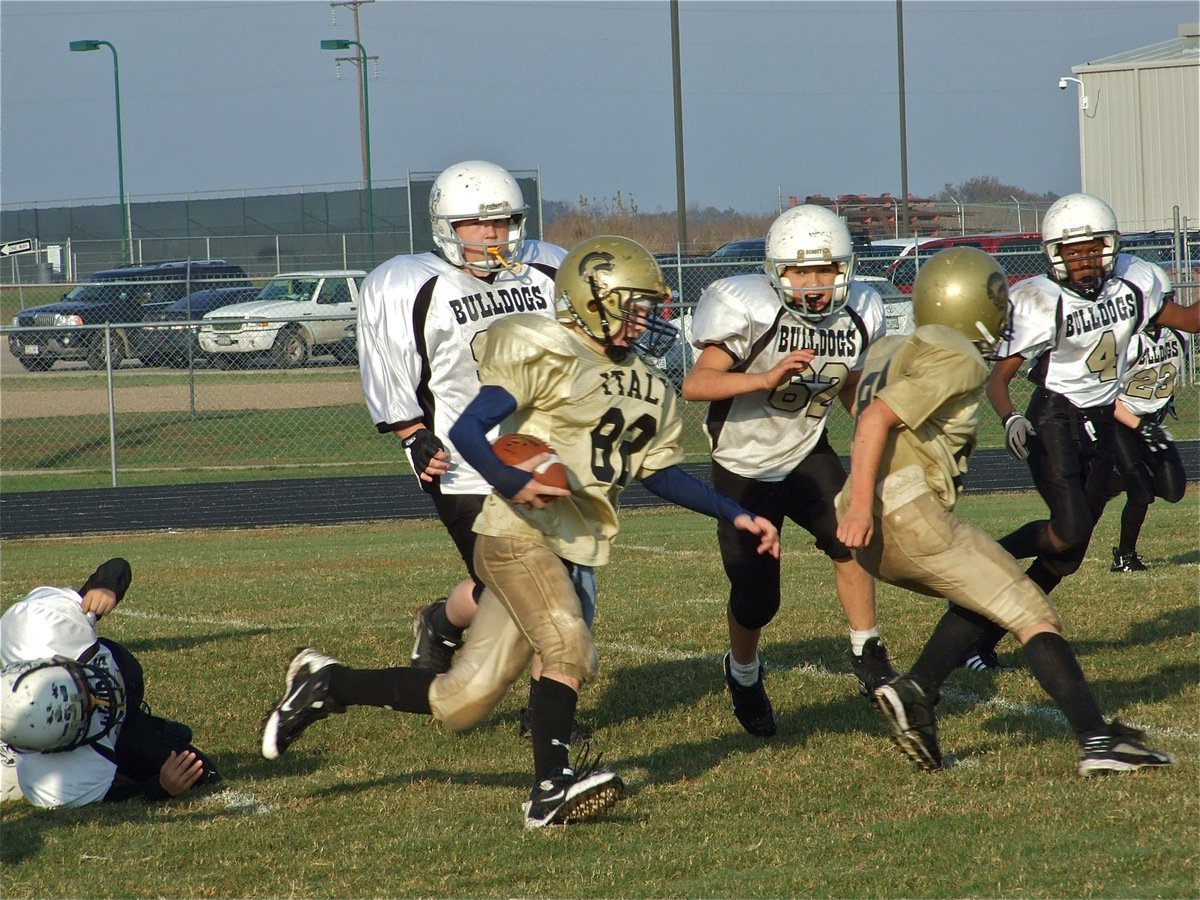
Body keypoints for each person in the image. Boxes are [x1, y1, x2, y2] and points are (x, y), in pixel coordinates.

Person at [260, 236, 781, 828]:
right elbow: (469, 426)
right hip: (517, 534)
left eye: (649, 306)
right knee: (568, 645)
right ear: (595, 301)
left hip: (576, 545)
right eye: (634, 304)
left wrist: (733, 512)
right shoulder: (546, 349)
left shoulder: (651, 386)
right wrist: (509, 480)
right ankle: (551, 789)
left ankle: (329, 683)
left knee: (461, 703)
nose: (648, 317)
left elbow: (659, 474)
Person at [836, 246, 1172, 776]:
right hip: (905, 514)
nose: (1004, 312)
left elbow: (855, 401)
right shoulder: (959, 353)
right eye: (996, 300)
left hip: (875, 533)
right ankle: (1097, 741)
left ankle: (919, 690)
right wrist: (861, 505)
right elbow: (875, 418)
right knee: (1032, 611)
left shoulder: (889, 348)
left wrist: (857, 506)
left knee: (986, 589)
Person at [357, 160, 576, 698]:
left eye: (502, 222)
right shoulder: (408, 283)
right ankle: (547, 710)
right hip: (461, 463)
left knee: (510, 587)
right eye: (477, 224)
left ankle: (441, 622)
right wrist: (414, 434)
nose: (492, 234)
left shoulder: (545, 269)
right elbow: (390, 365)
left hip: (539, 451)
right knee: (534, 589)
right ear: (446, 226)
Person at [680, 204, 893, 737]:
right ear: (777, 271)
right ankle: (744, 673)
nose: (815, 284)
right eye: (801, 271)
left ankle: (867, 650)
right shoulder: (745, 307)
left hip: (806, 450)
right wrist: (764, 378)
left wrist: (877, 428)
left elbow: (849, 384)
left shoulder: (859, 309)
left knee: (853, 538)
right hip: (743, 466)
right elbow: (696, 385)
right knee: (757, 601)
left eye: (825, 270)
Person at [964, 193, 1199, 668]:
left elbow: (1191, 322)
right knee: (1068, 527)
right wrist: (1011, 416)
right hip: (1055, 417)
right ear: (1054, 253)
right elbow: (999, 376)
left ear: (1110, 245)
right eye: (1074, 251)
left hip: (1103, 421)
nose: (1085, 259)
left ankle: (981, 639)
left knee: (1065, 557)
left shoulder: (1133, 282)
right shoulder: (1038, 301)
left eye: (1093, 248)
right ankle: (981, 558)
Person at [0, 558, 219, 807]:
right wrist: (160, 787)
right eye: (82, 711)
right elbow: (118, 798)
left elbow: (117, 566)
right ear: (57, 746)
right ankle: (11, 756)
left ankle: (154, 725)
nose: (97, 699)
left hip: (120, 684)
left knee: (127, 669)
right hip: (114, 734)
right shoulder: (55, 785)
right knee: (203, 775)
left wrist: (105, 586)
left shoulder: (38, 626)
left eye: (80, 689)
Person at [1108, 323, 1189, 572]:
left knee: (1174, 490)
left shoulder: (1179, 334)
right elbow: (1103, 395)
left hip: (1150, 420)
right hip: (1120, 419)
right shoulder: (1125, 340)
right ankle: (1124, 557)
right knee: (1141, 492)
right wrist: (1139, 425)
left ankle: (1111, 481)